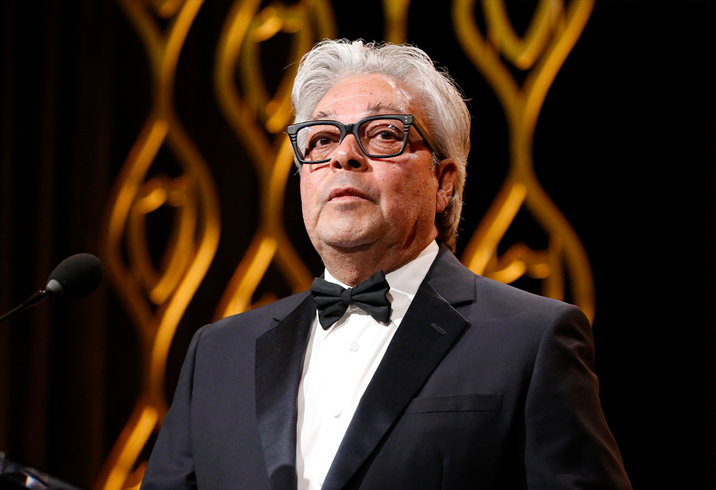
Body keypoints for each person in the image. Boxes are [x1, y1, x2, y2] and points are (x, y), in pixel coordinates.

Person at [141, 39, 631, 490]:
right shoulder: (219, 353)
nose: (344, 157)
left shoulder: (531, 339)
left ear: (444, 183)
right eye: (321, 139)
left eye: (381, 135)